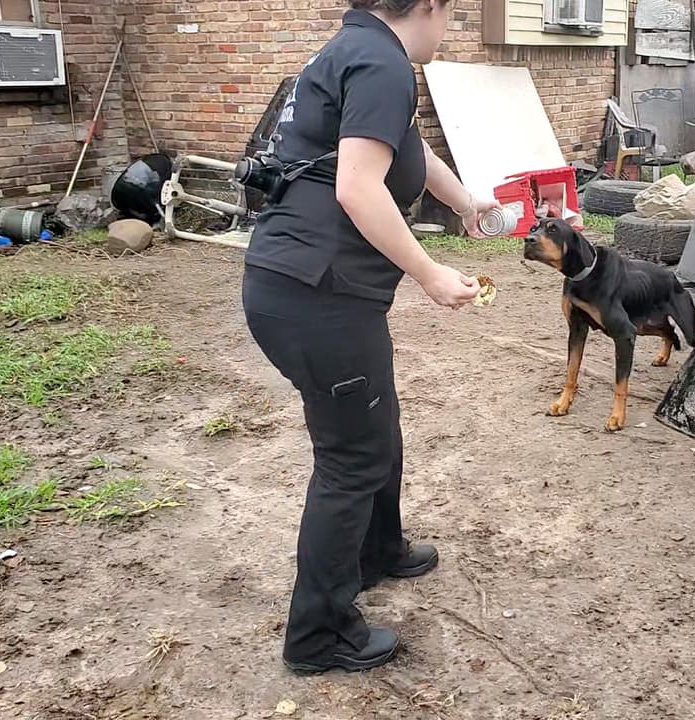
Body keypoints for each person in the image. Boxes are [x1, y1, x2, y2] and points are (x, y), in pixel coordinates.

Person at [240, 0, 498, 674]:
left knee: (375, 426)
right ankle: (318, 635)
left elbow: (406, 150)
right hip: (316, 296)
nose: (454, 26)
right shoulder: (381, 61)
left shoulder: (361, 50)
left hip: (304, 288)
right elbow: (359, 188)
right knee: (351, 456)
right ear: (432, 5)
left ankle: (379, 549)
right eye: (455, 13)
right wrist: (429, 272)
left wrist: (470, 206)